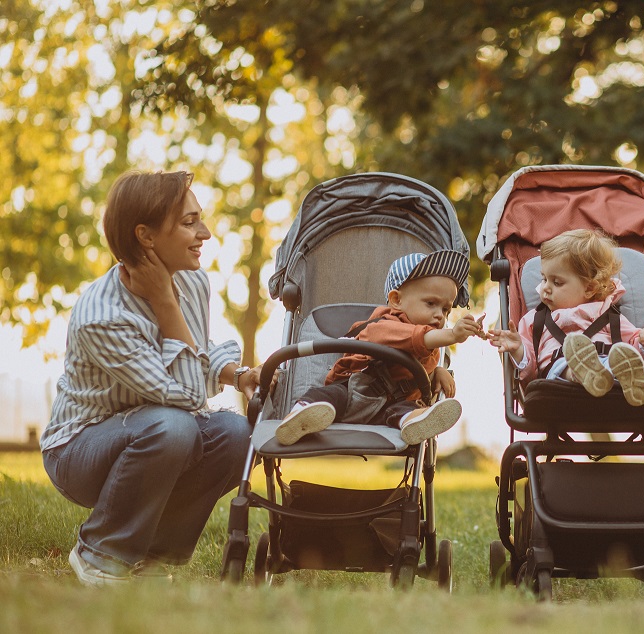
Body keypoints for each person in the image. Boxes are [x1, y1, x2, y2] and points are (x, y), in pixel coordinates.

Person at [41, 170, 264, 587]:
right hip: (79, 451)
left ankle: (151, 557)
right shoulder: (102, 317)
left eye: (200, 218)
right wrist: (164, 303)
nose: (206, 232)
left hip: (155, 429)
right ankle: (100, 553)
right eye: (189, 222)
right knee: (175, 426)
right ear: (145, 236)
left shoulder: (192, 280)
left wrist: (237, 373)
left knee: (237, 434)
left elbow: (198, 347)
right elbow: (187, 395)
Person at [274, 250, 484, 446]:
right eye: (431, 303)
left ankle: (415, 421)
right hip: (352, 392)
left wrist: (437, 371)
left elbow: (418, 365)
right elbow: (414, 339)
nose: (440, 315)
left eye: (446, 309)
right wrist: (452, 335)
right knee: (326, 396)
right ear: (397, 300)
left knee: (403, 409)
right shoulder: (383, 326)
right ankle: (299, 415)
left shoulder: (431, 344)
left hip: (386, 407)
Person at [488, 229, 644, 406]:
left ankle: (631, 380)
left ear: (589, 288)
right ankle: (583, 373)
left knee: (620, 361)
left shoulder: (607, 315)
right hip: (558, 378)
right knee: (565, 366)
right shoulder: (535, 320)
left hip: (607, 370)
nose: (546, 288)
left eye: (557, 282)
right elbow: (530, 371)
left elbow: (634, 347)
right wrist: (518, 349)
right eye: (544, 279)